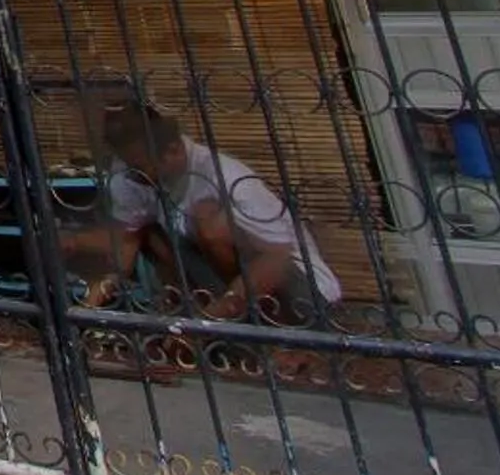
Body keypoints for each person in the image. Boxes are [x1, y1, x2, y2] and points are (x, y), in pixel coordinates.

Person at [85, 103, 342, 325]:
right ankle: (201, 318)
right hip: (222, 286)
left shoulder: (224, 177)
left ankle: (267, 329)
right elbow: (128, 239)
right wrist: (105, 284)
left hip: (296, 288)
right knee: (150, 234)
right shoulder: (132, 173)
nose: (136, 176)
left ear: (173, 150)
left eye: (142, 167)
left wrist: (219, 314)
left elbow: (278, 257)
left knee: (209, 221)